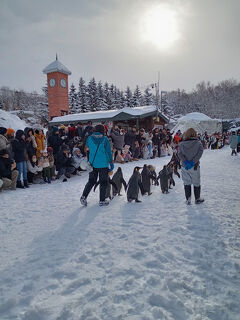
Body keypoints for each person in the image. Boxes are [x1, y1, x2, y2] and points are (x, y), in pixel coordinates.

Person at [80, 124, 113, 207]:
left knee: (91, 181)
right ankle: (102, 200)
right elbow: (109, 152)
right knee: (103, 182)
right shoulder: (105, 139)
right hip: (103, 164)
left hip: (92, 164)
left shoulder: (89, 138)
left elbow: (86, 149)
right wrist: (111, 163)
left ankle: (83, 197)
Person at [178, 128, 204, 205]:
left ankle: (188, 199)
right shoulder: (198, 143)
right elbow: (200, 153)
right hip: (195, 166)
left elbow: (179, 154)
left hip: (184, 166)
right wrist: (193, 162)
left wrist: (185, 161)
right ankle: (197, 198)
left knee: (187, 182)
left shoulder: (181, 144)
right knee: (196, 182)